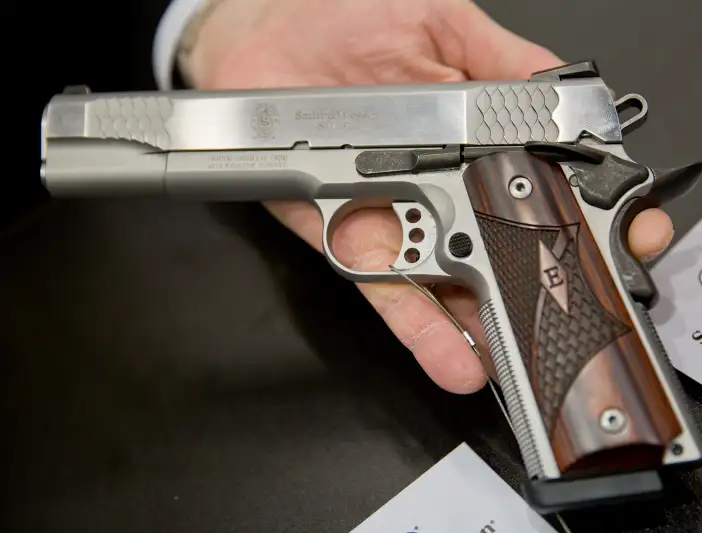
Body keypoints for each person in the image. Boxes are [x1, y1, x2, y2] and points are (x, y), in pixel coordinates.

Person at [153, 0, 675, 395]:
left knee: (563, 326)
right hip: (508, 134)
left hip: (511, 154)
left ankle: (609, 427)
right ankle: (609, 425)